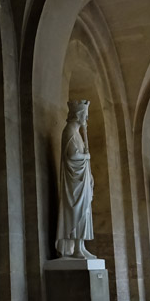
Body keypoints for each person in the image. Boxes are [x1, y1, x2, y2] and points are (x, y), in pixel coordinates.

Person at [56, 100, 96, 259]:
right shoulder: (70, 132)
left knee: (84, 212)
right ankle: (76, 249)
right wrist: (86, 156)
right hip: (74, 184)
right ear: (78, 115)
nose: (86, 119)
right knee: (76, 211)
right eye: (85, 116)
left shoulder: (77, 133)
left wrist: (89, 173)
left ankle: (81, 246)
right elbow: (72, 156)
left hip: (82, 180)